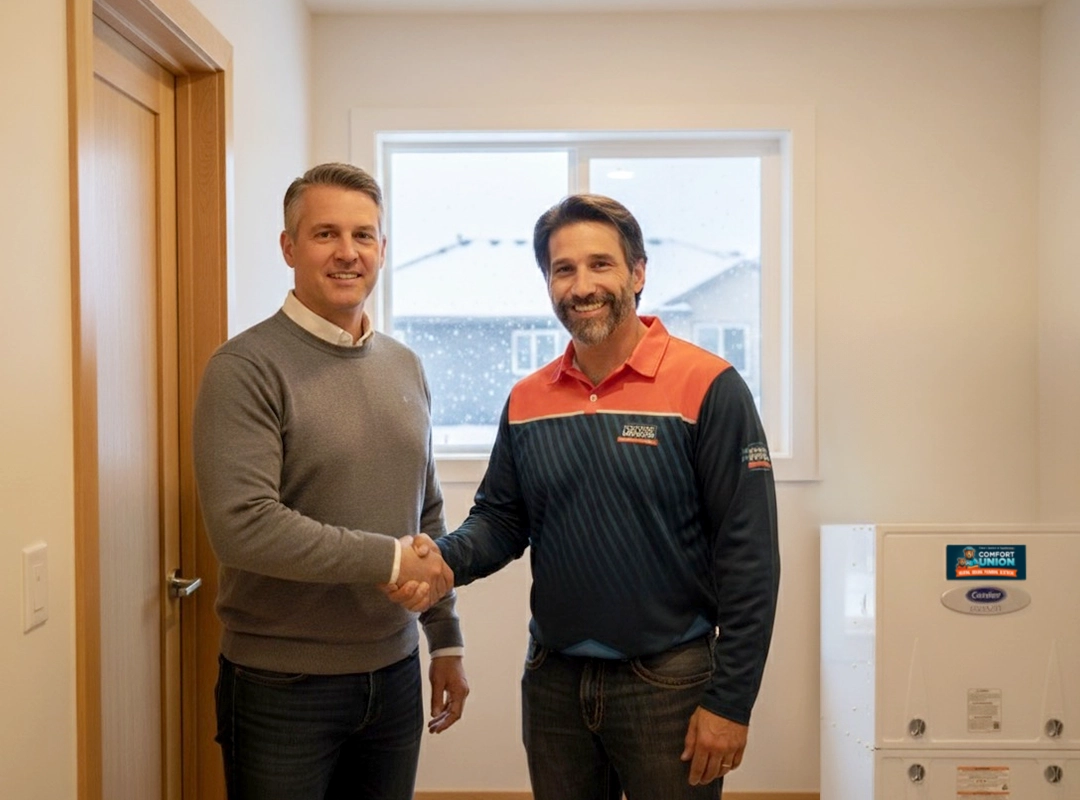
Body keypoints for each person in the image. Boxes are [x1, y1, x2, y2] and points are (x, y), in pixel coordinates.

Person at [388, 194, 780, 799]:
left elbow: (750, 558)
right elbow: (501, 519)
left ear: (638, 273)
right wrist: (443, 562)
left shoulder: (710, 386)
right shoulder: (528, 398)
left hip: (669, 682)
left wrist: (731, 702)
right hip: (553, 681)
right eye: (563, 269)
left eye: (601, 264)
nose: (582, 285)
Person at [193, 162, 467, 800]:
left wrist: (445, 637)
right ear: (289, 247)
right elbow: (243, 527)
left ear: (383, 250)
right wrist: (388, 557)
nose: (348, 253)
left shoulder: (405, 365)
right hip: (281, 686)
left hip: (395, 675)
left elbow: (424, 510)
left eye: (364, 236)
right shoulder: (245, 367)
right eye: (325, 235)